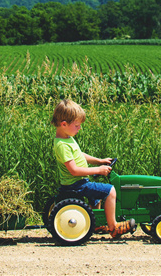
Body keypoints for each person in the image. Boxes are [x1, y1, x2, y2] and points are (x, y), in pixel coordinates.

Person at [51, 99, 136, 239]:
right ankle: (114, 227)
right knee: (110, 191)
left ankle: (94, 223)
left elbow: (79, 155)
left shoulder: (67, 138)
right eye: (77, 125)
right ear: (64, 124)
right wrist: (98, 170)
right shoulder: (62, 145)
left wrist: (99, 161)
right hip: (76, 184)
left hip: (79, 181)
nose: (79, 128)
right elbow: (74, 170)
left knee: (96, 195)